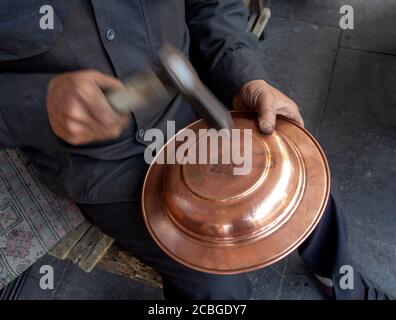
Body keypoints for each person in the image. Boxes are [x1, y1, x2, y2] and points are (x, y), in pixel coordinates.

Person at [0, 0, 389, 300]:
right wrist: (37, 102)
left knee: (307, 188)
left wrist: (244, 72)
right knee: (218, 289)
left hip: (196, 109)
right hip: (100, 162)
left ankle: (339, 278)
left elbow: (213, 5)